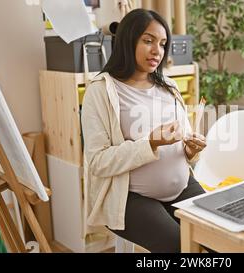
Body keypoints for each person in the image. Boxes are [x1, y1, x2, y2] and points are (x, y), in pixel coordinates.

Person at [81, 9, 207, 253]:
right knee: (180, 247)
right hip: (129, 197)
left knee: (215, 233)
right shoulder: (101, 91)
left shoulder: (168, 86)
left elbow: (185, 144)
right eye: (148, 41)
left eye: (162, 44)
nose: (157, 51)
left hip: (181, 186)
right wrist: (150, 143)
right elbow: (97, 161)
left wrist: (191, 150)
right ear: (128, 40)